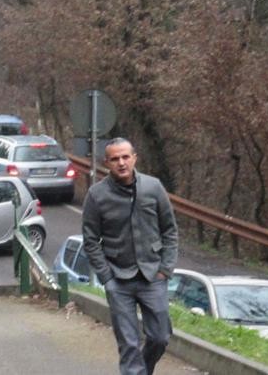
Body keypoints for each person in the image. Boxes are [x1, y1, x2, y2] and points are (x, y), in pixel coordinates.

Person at [82, 138, 178, 375]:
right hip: (118, 279)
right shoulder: (96, 195)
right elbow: (91, 240)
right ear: (107, 163)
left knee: (160, 337)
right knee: (129, 344)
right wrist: (107, 278)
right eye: (115, 159)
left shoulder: (153, 187)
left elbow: (170, 231)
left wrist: (165, 269)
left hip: (152, 276)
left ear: (134, 157)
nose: (121, 163)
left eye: (125, 157)